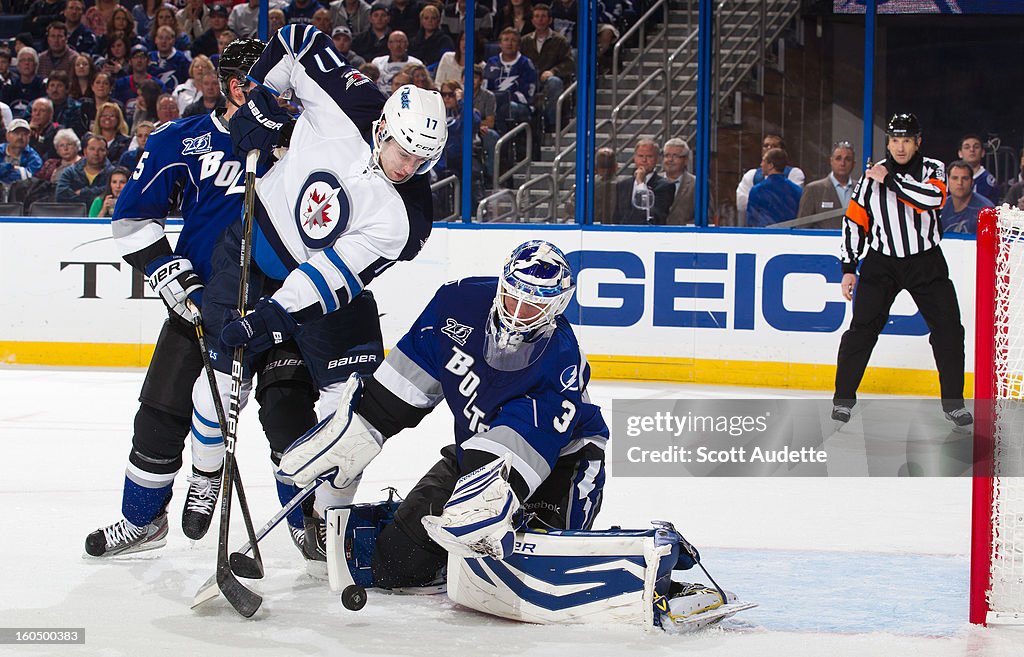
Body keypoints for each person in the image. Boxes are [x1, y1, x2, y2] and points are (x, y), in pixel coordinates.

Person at [209, 24, 446, 569]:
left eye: (421, 160)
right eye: (401, 150)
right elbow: (296, 39)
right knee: (276, 400)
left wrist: (275, 312)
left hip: (331, 293)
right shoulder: (353, 101)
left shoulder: (406, 217)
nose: (407, 167)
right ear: (382, 126)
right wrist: (265, 105)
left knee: (353, 413)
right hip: (264, 244)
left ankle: (331, 520)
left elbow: (334, 273)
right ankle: (295, 509)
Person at [278, 238, 607, 585]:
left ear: (556, 306)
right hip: (475, 451)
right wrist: (362, 425)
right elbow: (402, 386)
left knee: (526, 571)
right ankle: (406, 522)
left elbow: (520, 446)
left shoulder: (559, 361)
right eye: (514, 296)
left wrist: (478, 497)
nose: (518, 312)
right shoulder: (457, 304)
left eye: (534, 306)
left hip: (559, 464)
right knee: (395, 566)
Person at [84, 40, 271, 558]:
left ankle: (309, 525)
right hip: (198, 303)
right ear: (236, 88)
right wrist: (169, 274)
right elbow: (132, 217)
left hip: (275, 306)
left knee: (289, 414)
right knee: (161, 412)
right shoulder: (181, 139)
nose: (280, 98)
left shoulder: (297, 146)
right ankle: (142, 520)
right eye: (266, 85)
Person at [832, 112, 971, 428]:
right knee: (862, 330)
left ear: (917, 141)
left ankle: (954, 404)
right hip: (882, 264)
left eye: (907, 140)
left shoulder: (932, 168)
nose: (900, 147)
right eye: (895, 140)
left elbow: (933, 198)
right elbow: (855, 222)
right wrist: (849, 267)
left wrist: (891, 180)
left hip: (926, 262)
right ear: (889, 142)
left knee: (949, 330)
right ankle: (842, 399)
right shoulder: (871, 177)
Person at [520, 4, 572, 133]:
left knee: (554, 82)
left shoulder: (560, 41)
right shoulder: (524, 41)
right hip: (530, 81)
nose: (540, 19)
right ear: (532, 21)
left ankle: (551, 125)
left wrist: (553, 71)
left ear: (550, 20)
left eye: (543, 16)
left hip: (550, 80)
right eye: (537, 16)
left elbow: (569, 63)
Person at [735, 132, 804, 225]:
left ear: (782, 150)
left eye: (774, 145)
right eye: (766, 145)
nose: (769, 148)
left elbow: (794, 205)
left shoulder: (795, 173)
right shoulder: (751, 175)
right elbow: (741, 204)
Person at [482, 28, 537, 132]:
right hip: (494, 105)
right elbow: (485, 87)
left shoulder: (525, 64)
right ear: (500, 44)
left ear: (519, 45)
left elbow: (529, 92)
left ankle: (503, 141)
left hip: (519, 106)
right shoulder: (492, 62)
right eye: (506, 40)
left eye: (513, 40)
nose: (509, 43)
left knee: (507, 108)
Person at [797, 140, 857, 228]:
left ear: (853, 164)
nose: (842, 163)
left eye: (847, 159)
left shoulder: (861, 189)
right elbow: (801, 227)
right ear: (831, 161)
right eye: (838, 158)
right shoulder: (814, 189)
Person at [611, 138, 671, 224]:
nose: (644, 160)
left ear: (657, 159)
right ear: (634, 158)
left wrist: (640, 183)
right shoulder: (623, 185)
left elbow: (653, 216)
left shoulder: (665, 186)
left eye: (649, 156)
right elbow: (617, 217)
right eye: (640, 156)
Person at [746, 147, 802, 227]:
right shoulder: (797, 190)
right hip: (789, 236)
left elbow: (752, 221)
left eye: (763, 161)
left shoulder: (758, 190)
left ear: (770, 165)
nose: (761, 164)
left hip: (764, 236)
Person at [661, 137, 711, 226]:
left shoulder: (698, 184)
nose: (670, 160)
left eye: (675, 156)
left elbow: (707, 217)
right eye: (667, 155)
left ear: (686, 160)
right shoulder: (653, 182)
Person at [56, 133, 113, 207]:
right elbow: (61, 196)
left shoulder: (113, 173)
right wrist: (95, 195)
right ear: (85, 152)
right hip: (74, 214)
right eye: (92, 149)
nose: (96, 153)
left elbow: (113, 193)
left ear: (106, 152)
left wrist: (82, 192)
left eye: (101, 150)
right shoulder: (70, 172)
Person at [940, 159, 992, 234]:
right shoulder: (940, 208)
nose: (959, 183)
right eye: (955, 178)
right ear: (947, 182)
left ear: (972, 182)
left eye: (965, 178)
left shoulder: (986, 211)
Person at [371, 31, 423, 95]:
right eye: (395, 41)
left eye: (401, 41)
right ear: (389, 45)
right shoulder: (377, 62)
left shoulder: (416, 63)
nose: (398, 45)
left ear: (407, 44)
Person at [2, 48, 47, 121]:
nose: (26, 63)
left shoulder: (43, 85)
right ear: (18, 65)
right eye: (23, 60)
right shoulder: (9, 85)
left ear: (36, 64)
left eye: (30, 60)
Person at [955, 134, 999, 204]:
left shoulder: (988, 181)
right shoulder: (952, 178)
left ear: (982, 153)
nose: (972, 150)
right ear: (960, 153)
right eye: (967, 147)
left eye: (976, 147)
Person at [0, 119, 44, 187]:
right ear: (7, 135)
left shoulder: (35, 159)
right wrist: (11, 168)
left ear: (29, 137)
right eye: (16, 133)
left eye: (24, 134)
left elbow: (28, 180)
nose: (20, 137)